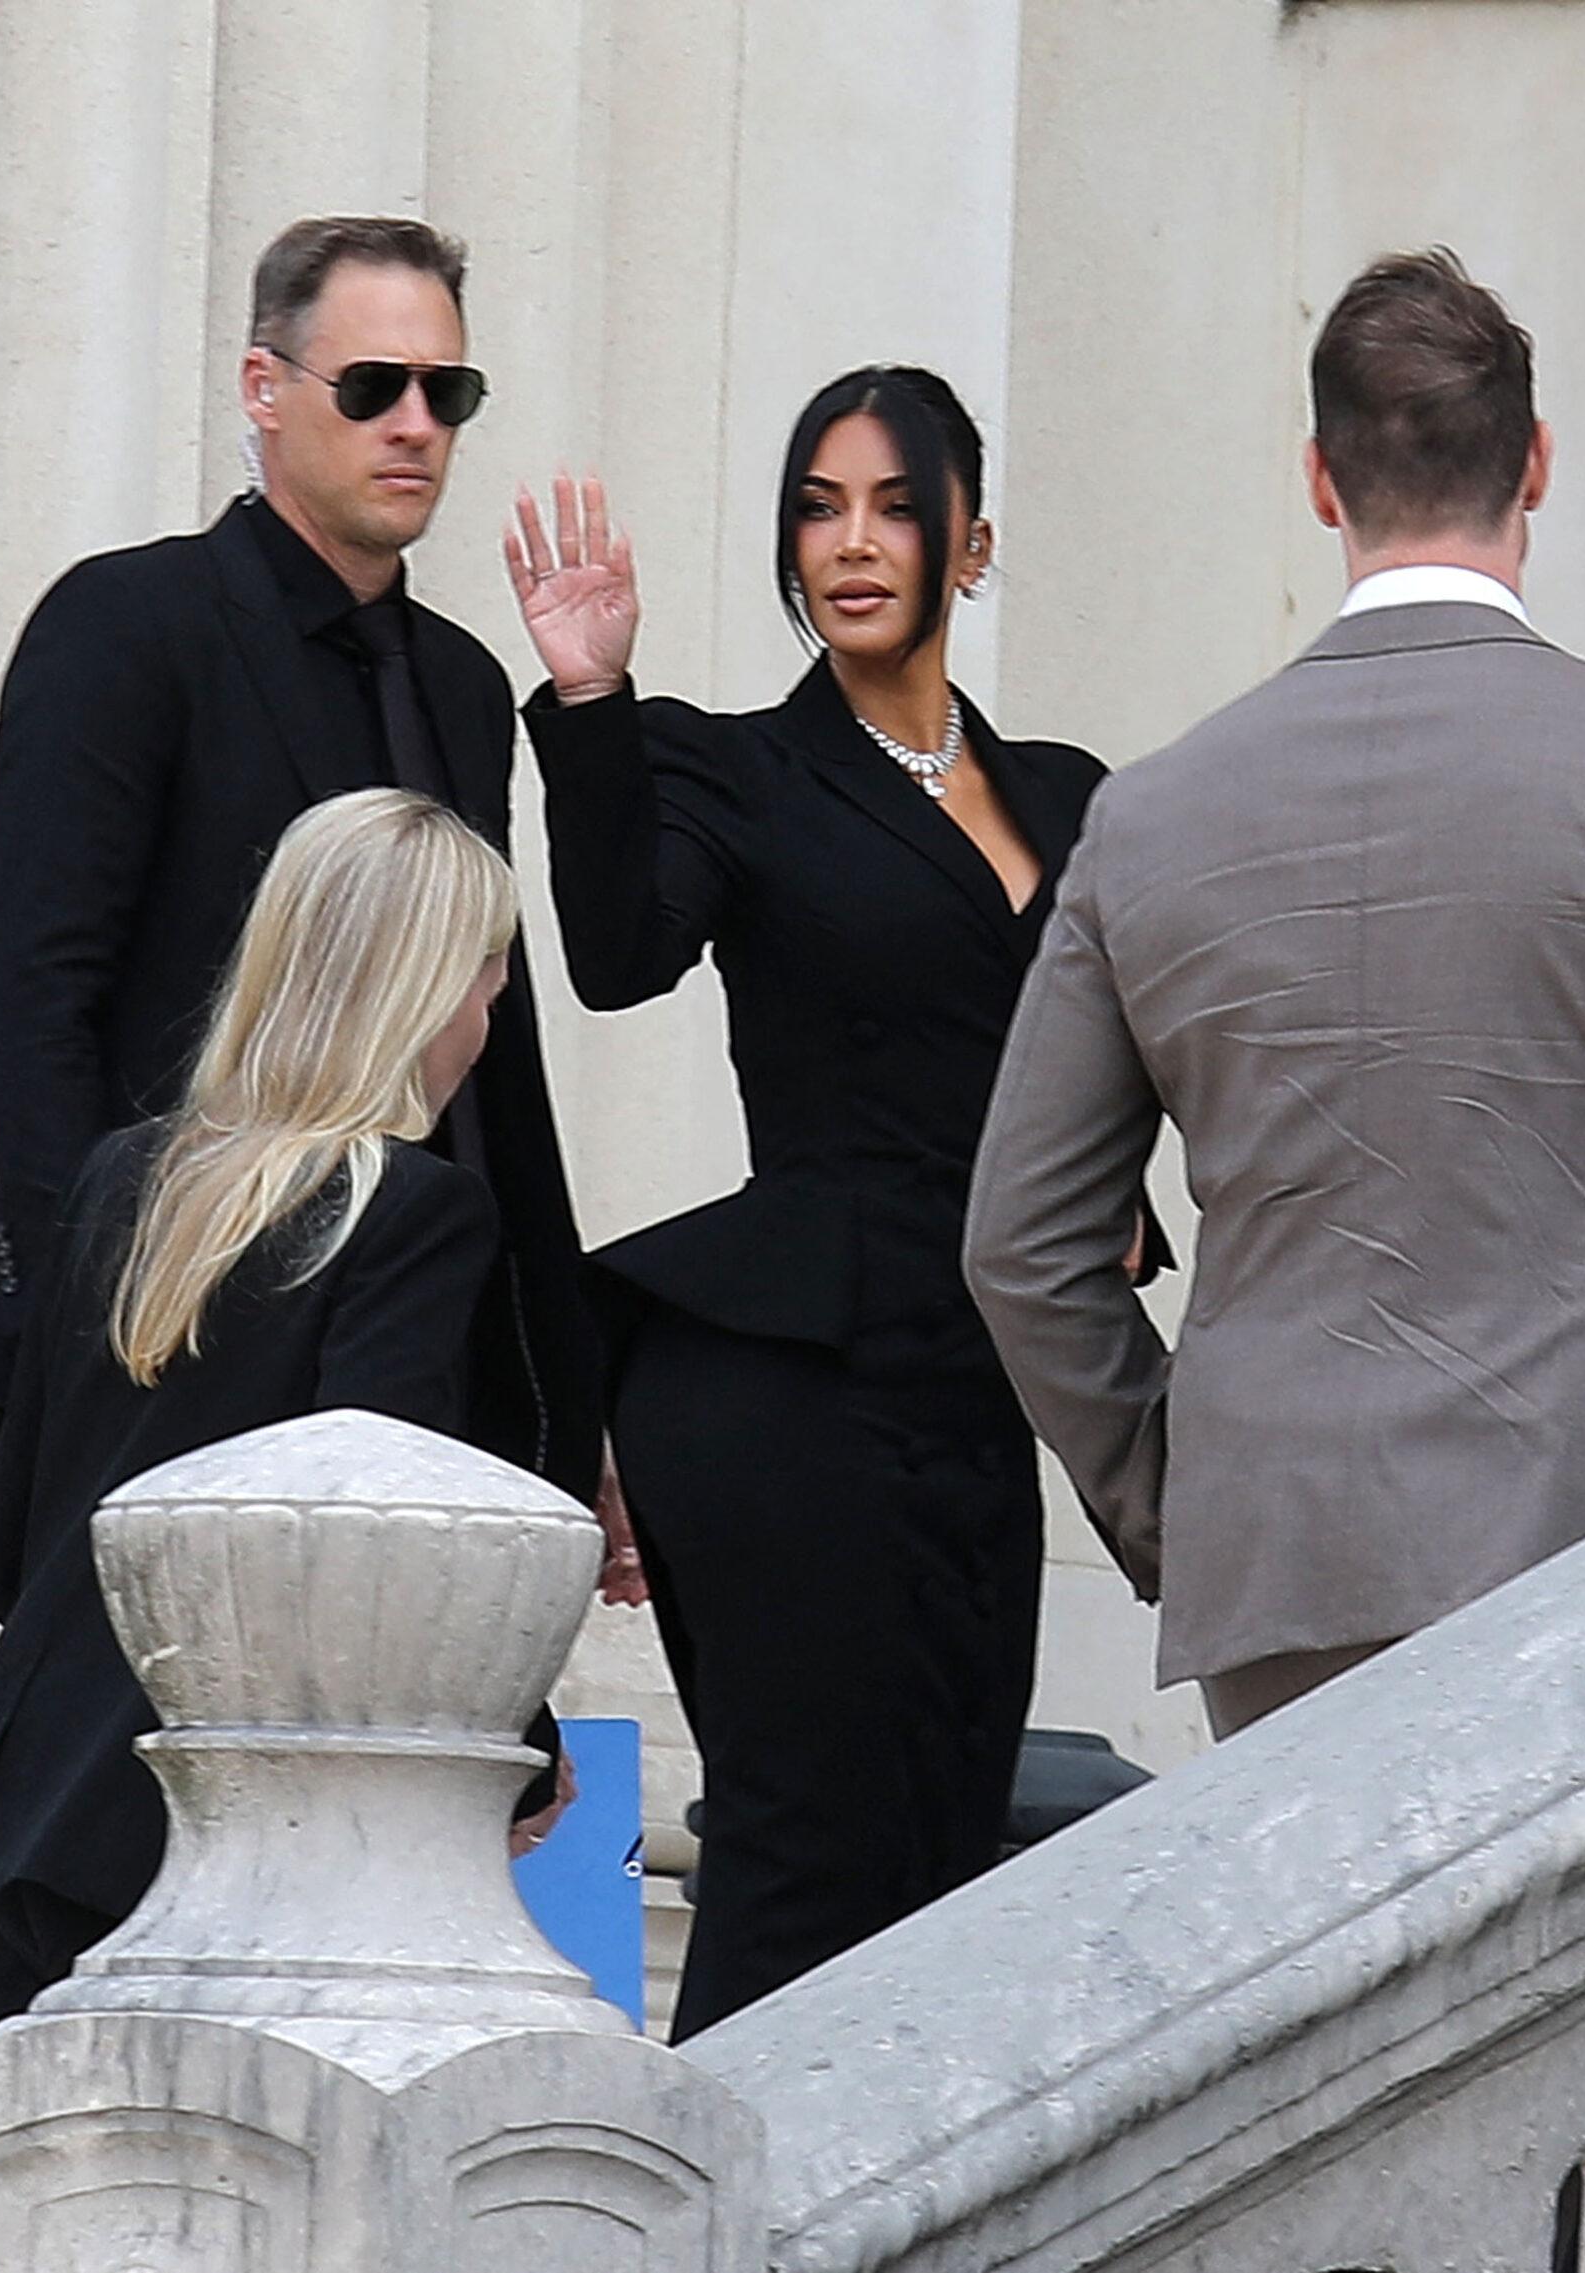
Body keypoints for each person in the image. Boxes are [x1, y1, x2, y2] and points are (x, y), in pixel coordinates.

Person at [964, 250, 1585, 1741]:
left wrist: (1178, 1498)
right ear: (1538, 463)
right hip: (1568, 1525)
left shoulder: (1155, 812)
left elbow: (1020, 1246)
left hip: (1276, 1545)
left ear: (1322, 480)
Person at [503, 368, 1140, 2039]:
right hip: (789, 1377)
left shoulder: (1072, 794)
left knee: (941, 1852)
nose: (850, 542)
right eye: (816, 504)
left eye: (893, 505)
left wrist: (1126, 1202)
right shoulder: (734, 770)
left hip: (979, 1384)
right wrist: (590, 706)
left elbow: (1113, 1044)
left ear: (971, 541)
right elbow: (620, 954)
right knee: (804, 1858)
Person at [0, 213, 616, 1561]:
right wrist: (105, 1325)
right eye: (374, 387)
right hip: (168, 1339)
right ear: (265, 390)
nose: (416, 425)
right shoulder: (129, 626)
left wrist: (569, 1390)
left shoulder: (460, 684)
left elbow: (498, 1060)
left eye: (451, 392)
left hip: (404, 1348)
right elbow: (35, 1008)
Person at [0, 791, 553, 2031]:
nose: (490, 1008)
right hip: (249, 1835)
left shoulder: (120, 1177)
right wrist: (523, 1737)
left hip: (50, 1794)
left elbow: (11, 1541)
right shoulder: (413, 1210)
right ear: (427, 989)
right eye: (485, 971)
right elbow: (383, 1536)